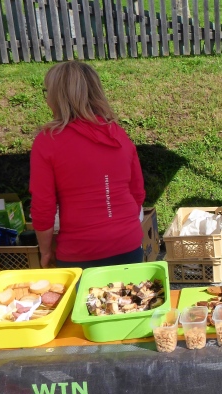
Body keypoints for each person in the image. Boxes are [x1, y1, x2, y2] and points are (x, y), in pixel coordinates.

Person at [30, 61, 146, 269]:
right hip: (127, 243)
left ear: (57, 97)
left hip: (79, 250)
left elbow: (43, 206)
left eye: (48, 92)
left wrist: (45, 251)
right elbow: (137, 192)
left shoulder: (48, 140)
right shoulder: (117, 133)